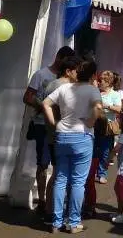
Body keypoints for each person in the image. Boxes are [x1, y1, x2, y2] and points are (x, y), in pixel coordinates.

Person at [42, 60, 103, 234]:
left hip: (62, 135)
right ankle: (74, 222)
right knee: (78, 182)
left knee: (60, 179)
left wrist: (54, 123)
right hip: (82, 136)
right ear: (92, 75)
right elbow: (98, 108)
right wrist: (90, 122)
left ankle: (56, 221)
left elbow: (45, 104)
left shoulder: (64, 88)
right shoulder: (92, 90)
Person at [22, 46, 76, 216]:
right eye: (66, 61)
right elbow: (27, 97)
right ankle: (43, 200)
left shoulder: (71, 80)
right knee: (43, 163)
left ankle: (53, 201)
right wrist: (43, 106)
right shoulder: (41, 75)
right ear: (59, 57)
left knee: (59, 164)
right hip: (42, 125)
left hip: (62, 128)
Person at [41, 56, 81, 224]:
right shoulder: (64, 87)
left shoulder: (53, 84)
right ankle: (53, 212)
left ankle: (51, 210)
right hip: (61, 136)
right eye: (77, 71)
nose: (79, 74)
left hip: (53, 135)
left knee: (58, 174)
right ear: (68, 71)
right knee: (61, 175)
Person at [96, 71, 123, 184]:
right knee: (94, 150)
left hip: (108, 126)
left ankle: (102, 174)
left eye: (101, 80)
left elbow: (118, 109)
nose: (98, 82)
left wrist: (106, 106)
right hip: (95, 124)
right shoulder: (96, 93)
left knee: (105, 152)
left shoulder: (115, 94)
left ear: (108, 82)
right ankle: (92, 172)